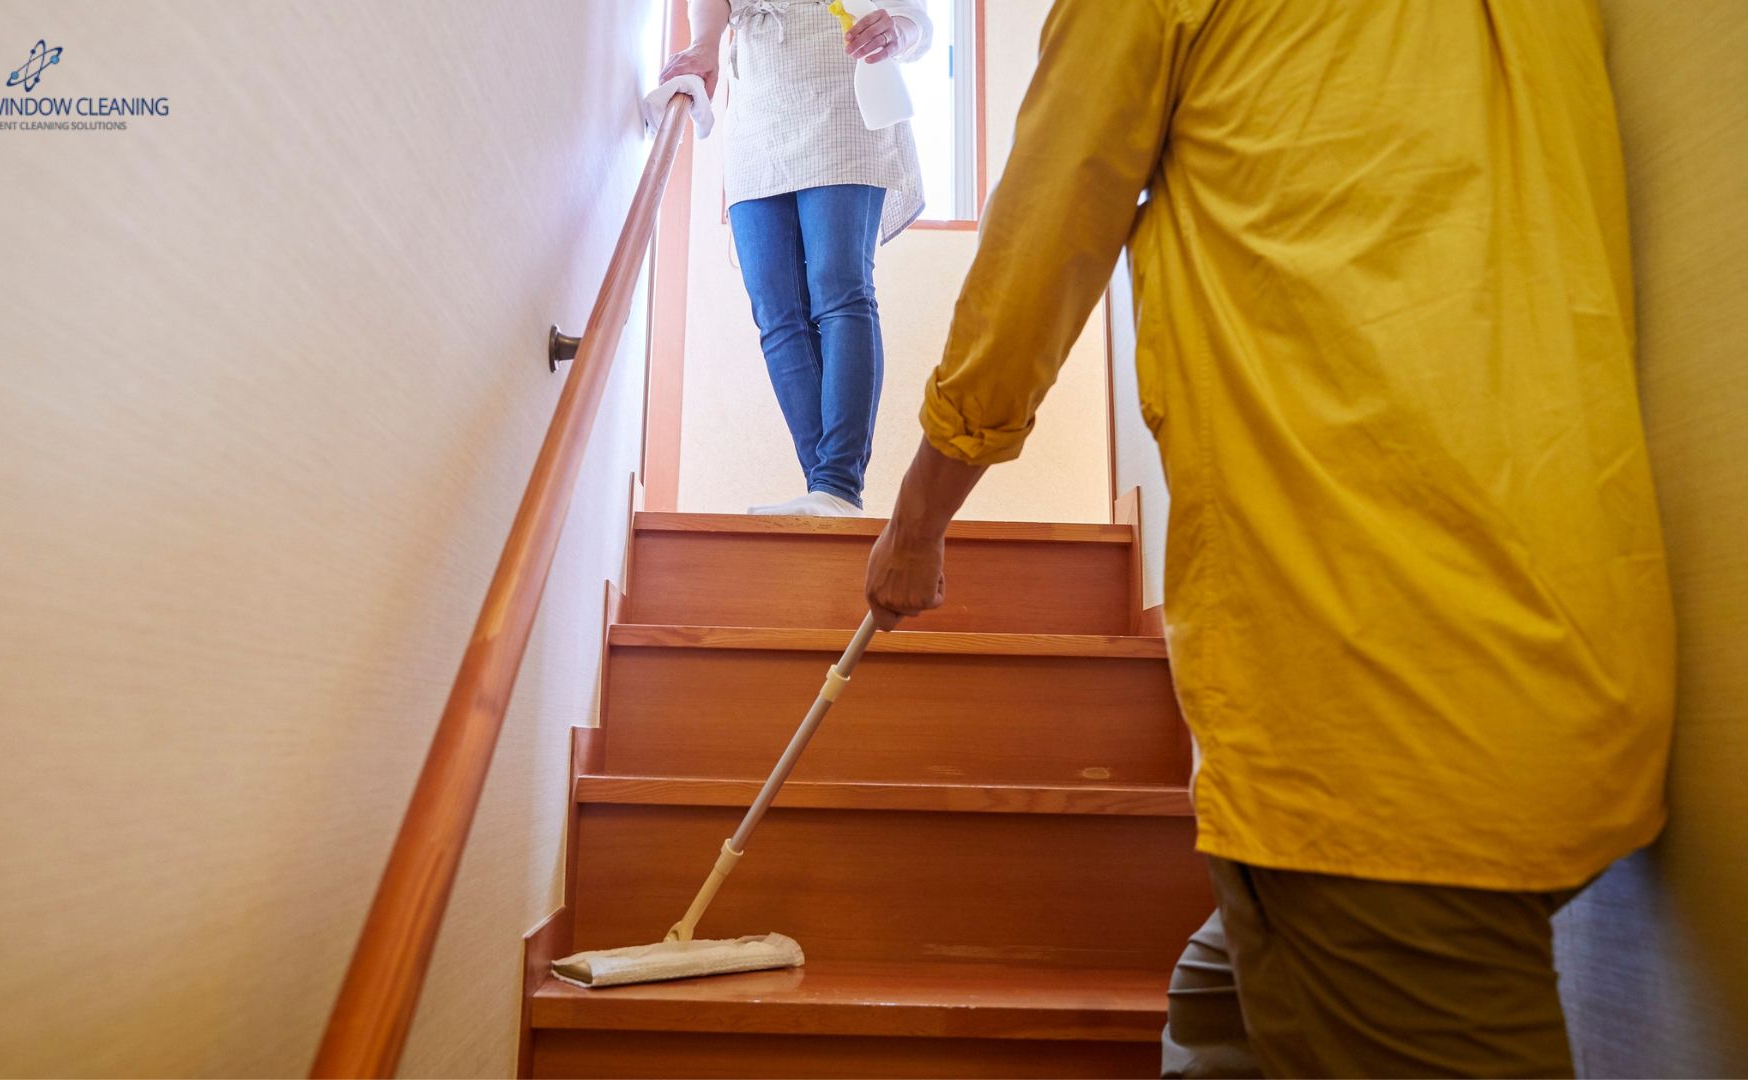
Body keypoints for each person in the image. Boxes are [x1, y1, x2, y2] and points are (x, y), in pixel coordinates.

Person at [861, 1, 1675, 1076]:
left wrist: (918, 517)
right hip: (1572, 664)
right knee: (1220, 1010)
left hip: (1379, 691)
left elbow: (1044, 232)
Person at [659, 0, 933, 518]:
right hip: (758, 109)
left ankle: (836, 484)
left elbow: (916, 18)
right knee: (776, 312)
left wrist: (896, 30)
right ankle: (827, 492)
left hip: (842, 87)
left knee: (840, 288)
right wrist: (704, 44)